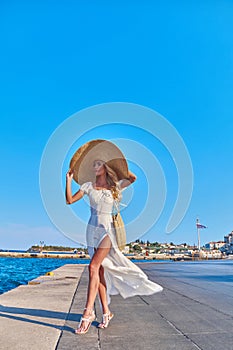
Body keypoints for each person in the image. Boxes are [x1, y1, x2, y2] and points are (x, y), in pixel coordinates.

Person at [65, 140, 163, 335]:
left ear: (105, 166)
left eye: (99, 163)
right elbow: (69, 200)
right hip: (91, 230)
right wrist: (68, 180)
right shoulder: (87, 186)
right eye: (93, 164)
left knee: (92, 267)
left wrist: (119, 166)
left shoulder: (114, 187)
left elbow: (133, 178)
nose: (95, 167)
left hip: (107, 231)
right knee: (99, 273)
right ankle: (107, 312)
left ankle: (88, 313)